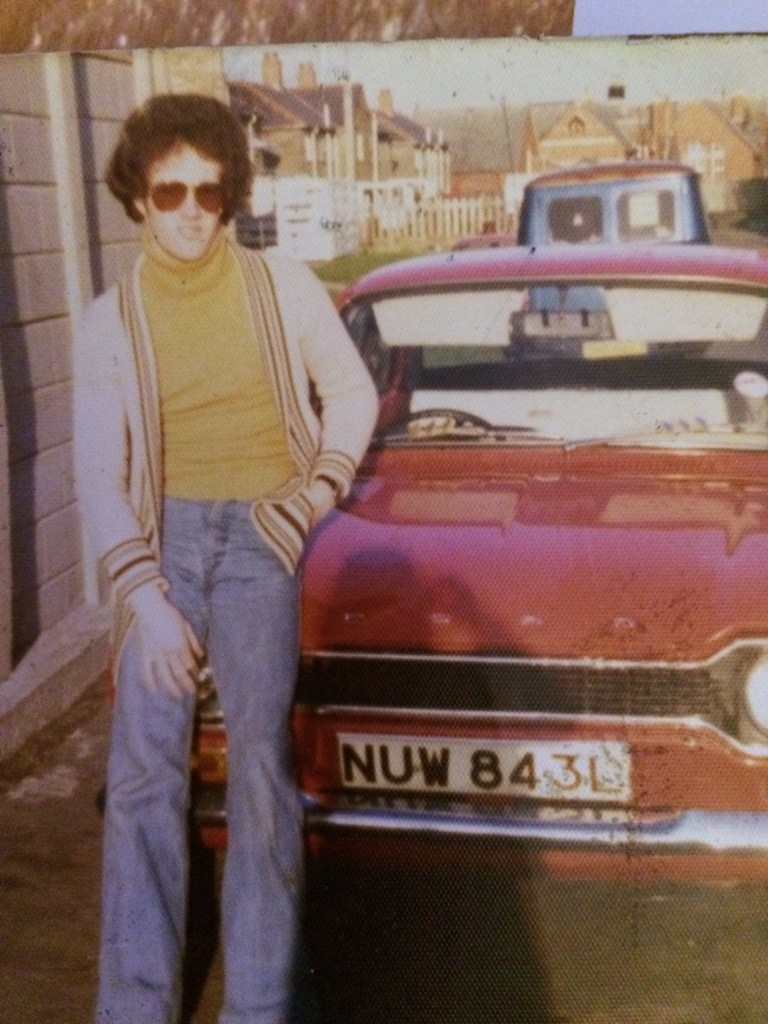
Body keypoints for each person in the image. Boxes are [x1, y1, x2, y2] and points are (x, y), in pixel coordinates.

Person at [73, 92, 378, 1024]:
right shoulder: (108, 321)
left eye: (209, 190)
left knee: (260, 775)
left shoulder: (281, 285)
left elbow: (352, 396)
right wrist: (149, 605)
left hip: (260, 538)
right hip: (158, 545)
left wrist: (309, 501)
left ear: (231, 193)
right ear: (138, 196)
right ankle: (135, 1006)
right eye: (170, 191)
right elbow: (100, 473)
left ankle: (261, 1004)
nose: (191, 211)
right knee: (143, 777)